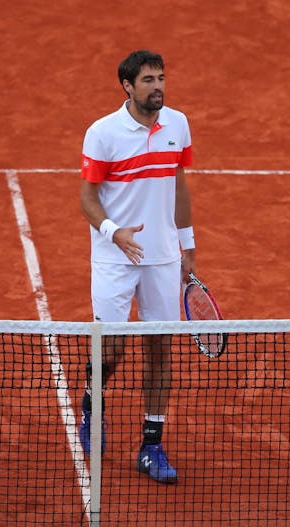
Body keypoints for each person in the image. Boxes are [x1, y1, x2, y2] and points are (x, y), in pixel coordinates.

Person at [78, 50, 196, 484]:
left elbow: (178, 185)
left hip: (163, 257)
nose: (157, 86)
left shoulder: (177, 125)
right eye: (148, 79)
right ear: (127, 86)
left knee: (159, 349)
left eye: (161, 77)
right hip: (114, 256)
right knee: (110, 348)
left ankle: (151, 444)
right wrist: (114, 232)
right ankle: (93, 403)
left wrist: (188, 246)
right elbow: (87, 199)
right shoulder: (103, 133)